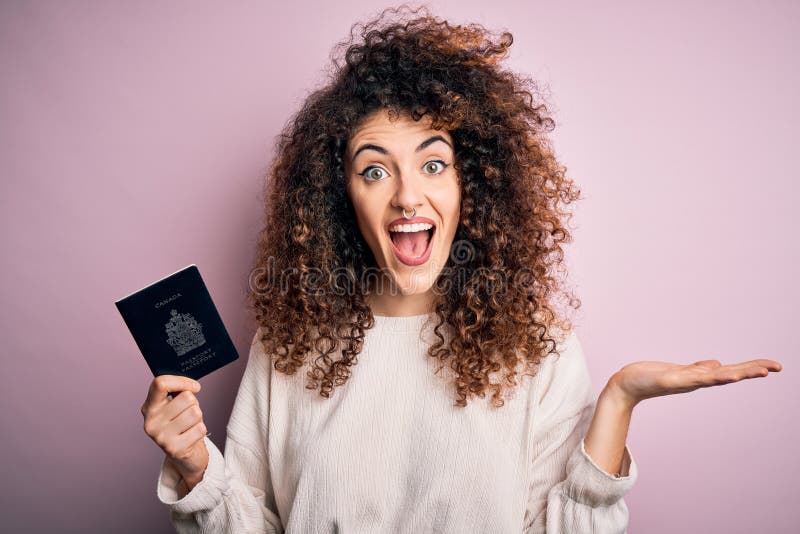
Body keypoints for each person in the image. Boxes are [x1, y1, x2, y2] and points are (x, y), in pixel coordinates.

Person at [139, 6, 783, 533]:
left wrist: (617, 401)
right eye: (373, 169)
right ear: (341, 197)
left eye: (434, 164)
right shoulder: (288, 347)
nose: (407, 196)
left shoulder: (537, 345)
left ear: (471, 185)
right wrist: (196, 467)